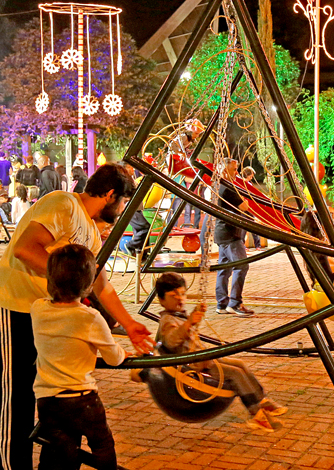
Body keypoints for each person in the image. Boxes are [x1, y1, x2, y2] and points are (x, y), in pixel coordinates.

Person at [0, 164, 152, 470]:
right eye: (124, 202)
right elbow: (24, 248)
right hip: (17, 306)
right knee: (16, 398)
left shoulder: (91, 232)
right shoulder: (64, 204)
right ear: (111, 195)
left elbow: (100, 283)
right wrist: (67, 278)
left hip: (50, 316)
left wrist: (130, 324)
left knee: (53, 396)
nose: (123, 209)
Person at [148, 272, 287, 431]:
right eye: (173, 295)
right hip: (193, 367)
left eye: (182, 294)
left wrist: (194, 316)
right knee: (236, 374)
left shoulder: (178, 316)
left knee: (240, 364)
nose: (179, 298)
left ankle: (261, 399)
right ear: (161, 300)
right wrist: (189, 323)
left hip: (202, 359)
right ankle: (255, 413)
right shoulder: (167, 320)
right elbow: (171, 341)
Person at [31, 244, 126, 469]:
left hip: (48, 401)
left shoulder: (37, 309)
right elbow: (114, 358)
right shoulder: (90, 318)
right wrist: (123, 353)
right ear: (88, 285)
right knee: (102, 446)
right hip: (82, 400)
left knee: (61, 454)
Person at [214, 159, 255, 317]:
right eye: (234, 170)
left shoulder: (219, 186)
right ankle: (234, 303)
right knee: (241, 266)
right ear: (224, 171)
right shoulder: (228, 189)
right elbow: (244, 207)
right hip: (230, 233)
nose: (237, 172)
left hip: (222, 232)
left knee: (224, 269)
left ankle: (222, 303)